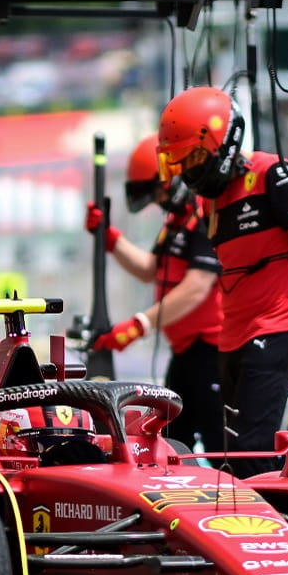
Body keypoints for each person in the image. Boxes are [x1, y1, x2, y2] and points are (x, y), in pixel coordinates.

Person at [155, 86, 288, 475]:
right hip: (233, 336)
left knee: (251, 454)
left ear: (222, 142)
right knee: (229, 457)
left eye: (193, 157)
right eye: (179, 162)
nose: (188, 171)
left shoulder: (274, 175)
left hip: (276, 328)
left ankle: (272, 534)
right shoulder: (212, 201)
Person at [83, 135, 225, 451]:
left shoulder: (202, 215)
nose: (159, 201)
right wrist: (111, 238)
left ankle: (247, 497)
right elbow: (151, 269)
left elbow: (196, 287)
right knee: (174, 441)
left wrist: (139, 325)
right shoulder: (175, 222)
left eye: (158, 192)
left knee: (221, 444)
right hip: (185, 352)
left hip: (211, 351)